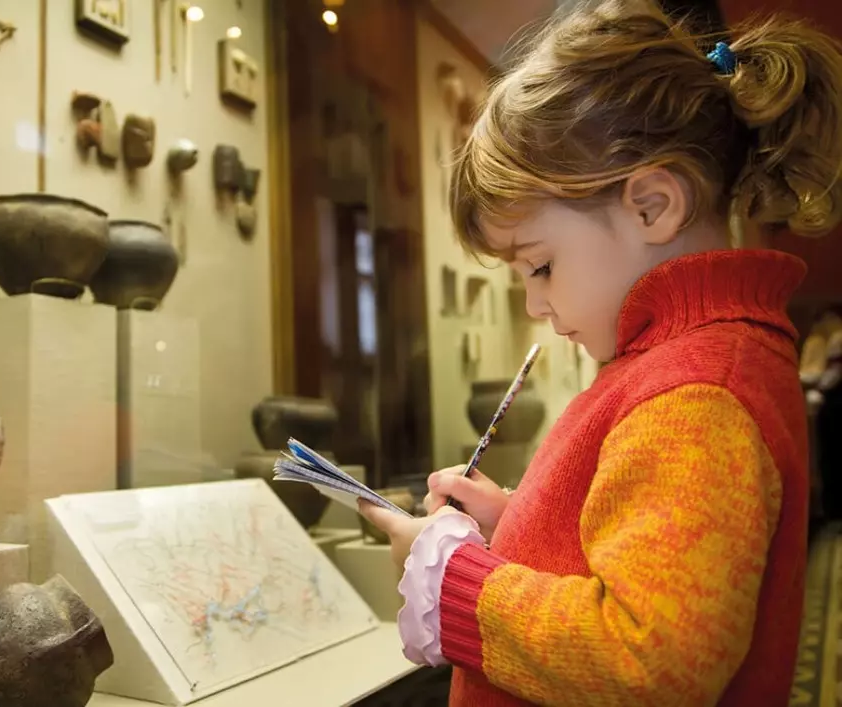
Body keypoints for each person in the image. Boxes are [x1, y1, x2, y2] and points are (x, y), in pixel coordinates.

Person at [358, 0, 842, 704]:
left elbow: (651, 660)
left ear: (652, 207)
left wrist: (449, 582)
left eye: (541, 265)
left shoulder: (696, 396)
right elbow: (637, 546)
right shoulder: (677, 367)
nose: (534, 303)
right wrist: (516, 522)